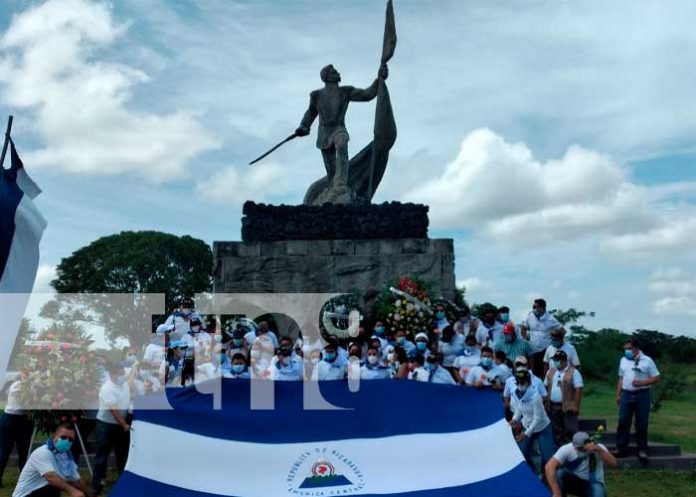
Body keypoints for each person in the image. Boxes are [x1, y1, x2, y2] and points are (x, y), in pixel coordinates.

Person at [296, 63, 387, 198]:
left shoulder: (345, 92)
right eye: (333, 71)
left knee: (342, 143)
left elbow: (367, 95)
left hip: (339, 130)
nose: (338, 73)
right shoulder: (316, 95)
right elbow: (311, 113)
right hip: (324, 135)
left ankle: (342, 184)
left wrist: (379, 79)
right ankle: (334, 190)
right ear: (326, 76)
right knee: (331, 170)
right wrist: (304, 126)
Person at [12, 424, 93, 497]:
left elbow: (77, 481)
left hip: (44, 492)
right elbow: (51, 477)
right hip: (27, 494)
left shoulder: (66, 457)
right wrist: (73, 491)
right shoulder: (43, 452)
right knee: (53, 487)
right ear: (54, 436)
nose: (67, 441)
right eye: (63, 437)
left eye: (70, 439)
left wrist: (88, 494)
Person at [614, 338, 660, 460]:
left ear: (636, 348)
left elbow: (656, 377)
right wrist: (618, 394)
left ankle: (642, 450)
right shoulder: (623, 360)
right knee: (623, 421)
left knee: (641, 423)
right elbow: (620, 378)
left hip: (642, 394)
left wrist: (642, 382)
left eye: (629, 348)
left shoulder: (647, 360)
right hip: (627, 394)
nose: (627, 351)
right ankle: (621, 448)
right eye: (625, 349)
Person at [91, 363, 132, 495]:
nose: (122, 376)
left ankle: (123, 482)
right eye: (120, 374)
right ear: (112, 375)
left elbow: (130, 388)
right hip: (106, 425)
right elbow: (114, 410)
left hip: (120, 424)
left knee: (123, 454)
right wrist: (125, 425)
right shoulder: (107, 389)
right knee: (102, 455)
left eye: (123, 373)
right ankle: (97, 484)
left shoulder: (124, 384)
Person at [510, 369, 554, 477]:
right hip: (528, 425)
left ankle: (547, 477)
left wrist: (525, 434)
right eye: (518, 382)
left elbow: (537, 418)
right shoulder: (516, 392)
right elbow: (519, 409)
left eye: (523, 382)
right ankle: (534, 474)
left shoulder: (535, 396)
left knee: (547, 456)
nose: (520, 385)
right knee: (522, 453)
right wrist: (515, 419)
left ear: (528, 382)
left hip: (542, 427)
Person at [545, 431, 617, 497]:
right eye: (577, 448)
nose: (579, 450)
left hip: (593, 482)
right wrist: (557, 493)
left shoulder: (599, 448)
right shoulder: (567, 448)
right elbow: (549, 467)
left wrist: (600, 451)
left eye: (581, 448)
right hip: (575, 479)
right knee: (559, 474)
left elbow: (613, 464)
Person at [0, 370, 33, 488]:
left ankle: (24, 479)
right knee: (6, 451)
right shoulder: (19, 385)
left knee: (21, 451)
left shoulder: (14, 384)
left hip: (15, 418)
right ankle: (24, 480)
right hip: (14, 418)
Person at [546, 350, 584, 448]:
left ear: (563, 360)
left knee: (570, 429)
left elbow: (578, 389)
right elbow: (545, 386)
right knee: (556, 429)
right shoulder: (551, 371)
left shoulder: (574, 372)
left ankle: (574, 449)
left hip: (568, 406)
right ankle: (559, 449)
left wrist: (576, 405)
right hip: (553, 405)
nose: (555, 362)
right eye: (554, 360)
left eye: (557, 360)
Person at [521, 298, 565, 378]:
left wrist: (558, 341)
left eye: (535, 307)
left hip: (545, 350)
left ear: (542, 308)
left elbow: (562, 330)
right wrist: (524, 339)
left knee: (545, 372)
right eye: (533, 307)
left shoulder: (551, 319)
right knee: (533, 373)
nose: (533, 309)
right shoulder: (530, 317)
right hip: (532, 350)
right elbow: (523, 327)